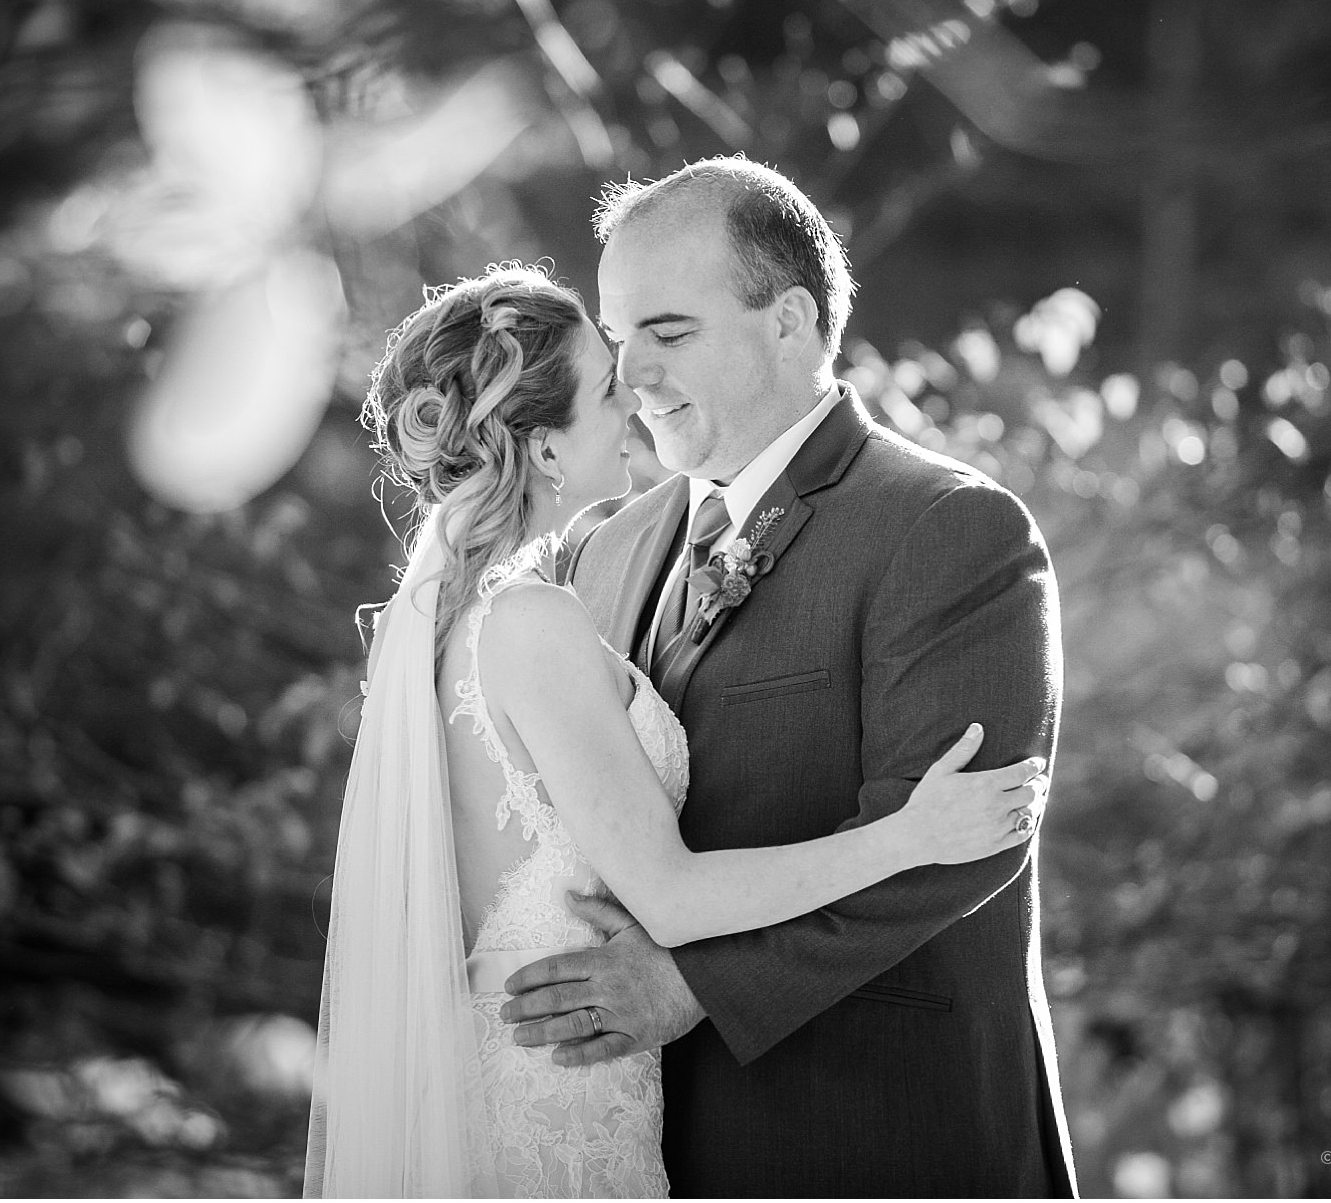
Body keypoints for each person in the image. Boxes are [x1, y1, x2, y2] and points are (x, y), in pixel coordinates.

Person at [301, 264, 1047, 1198]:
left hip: (528, 1068)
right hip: (559, 1097)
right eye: (606, 386)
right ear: (543, 446)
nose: (634, 396)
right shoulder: (531, 616)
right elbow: (673, 898)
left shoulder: (443, 621)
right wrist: (908, 835)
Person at [502, 158, 1078, 1196]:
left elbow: (962, 846)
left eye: (669, 333)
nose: (631, 377)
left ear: (791, 322)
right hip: (635, 1142)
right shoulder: (603, 550)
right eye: (619, 338)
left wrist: (690, 986)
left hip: (879, 1130)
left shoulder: (951, 528)